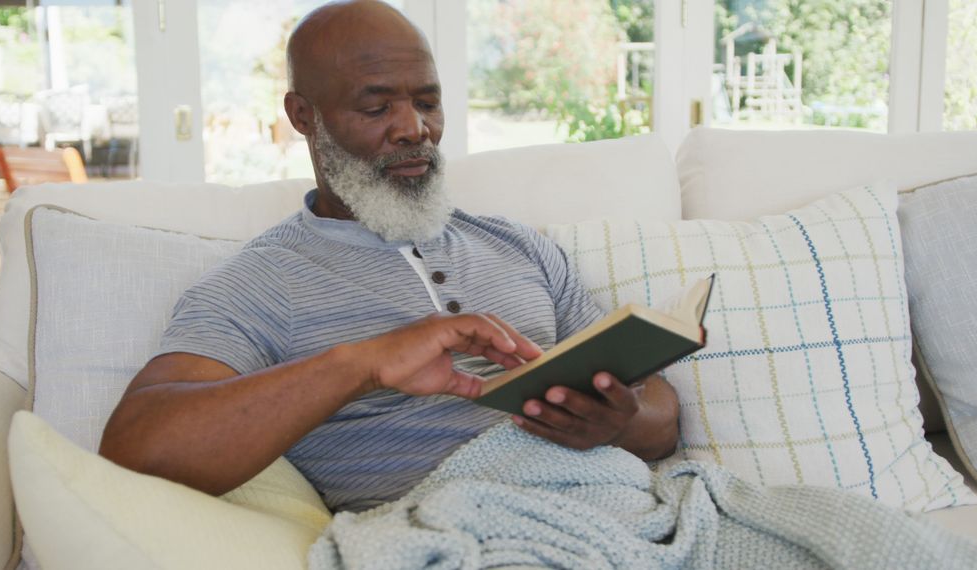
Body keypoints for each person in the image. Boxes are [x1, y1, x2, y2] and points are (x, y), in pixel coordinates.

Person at [99, 0, 679, 513]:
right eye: (376, 108)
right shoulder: (260, 282)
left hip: (622, 507)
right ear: (303, 115)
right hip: (456, 533)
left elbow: (661, 415)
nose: (414, 129)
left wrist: (621, 420)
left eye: (427, 102)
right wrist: (365, 364)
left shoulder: (519, 245)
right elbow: (136, 447)